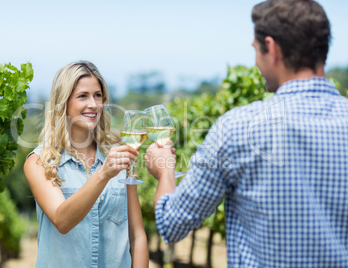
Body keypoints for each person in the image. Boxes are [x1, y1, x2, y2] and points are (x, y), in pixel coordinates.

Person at [144, 0, 348, 267]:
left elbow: (171, 224)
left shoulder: (237, 128)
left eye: (255, 49)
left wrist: (164, 170)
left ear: (271, 48)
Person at [23, 61, 149, 268]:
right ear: (63, 102)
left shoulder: (119, 156)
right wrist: (104, 173)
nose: (93, 104)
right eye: (83, 96)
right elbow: (62, 221)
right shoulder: (39, 162)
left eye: (98, 95)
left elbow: (137, 235)